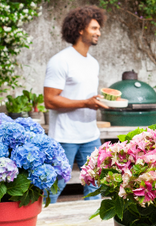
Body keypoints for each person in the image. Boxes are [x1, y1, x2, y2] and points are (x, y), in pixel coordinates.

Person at [43, 5, 108, 203]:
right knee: (54, 188)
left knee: (96, 188)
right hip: (65, 136)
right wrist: (85, 103)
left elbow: (85, 96)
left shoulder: (93, 62)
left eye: (99, 28)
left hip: (90, 135)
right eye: (94, 28)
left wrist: (96, 101)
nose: (99, 32)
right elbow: (50, 100)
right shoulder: (60, 61)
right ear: (81, 29)